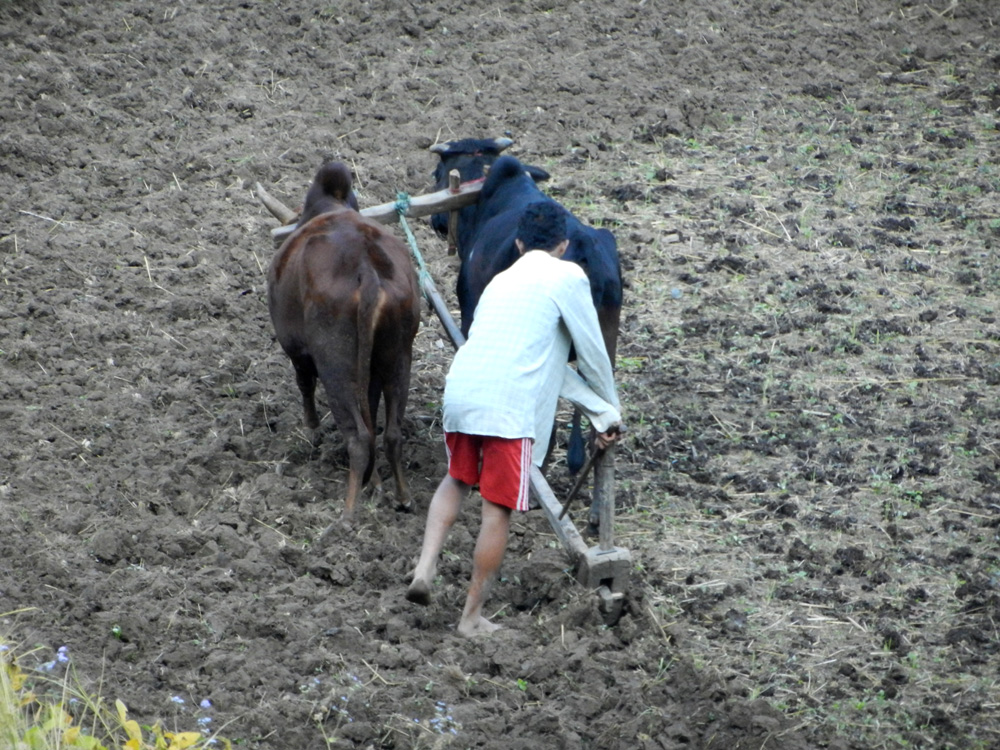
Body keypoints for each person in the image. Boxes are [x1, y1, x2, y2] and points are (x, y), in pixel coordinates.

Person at [406, 201, 623, 637]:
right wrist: (612, 409)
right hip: (509, 405)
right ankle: (470, 619)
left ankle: (424, 568)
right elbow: (593, 354)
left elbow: (551, 363)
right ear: (563, 245)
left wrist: (598, 411)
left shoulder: (501, 281)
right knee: (497, 509)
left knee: (456, 479)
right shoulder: (568, 276)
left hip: (464, 390)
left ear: (520, 243)